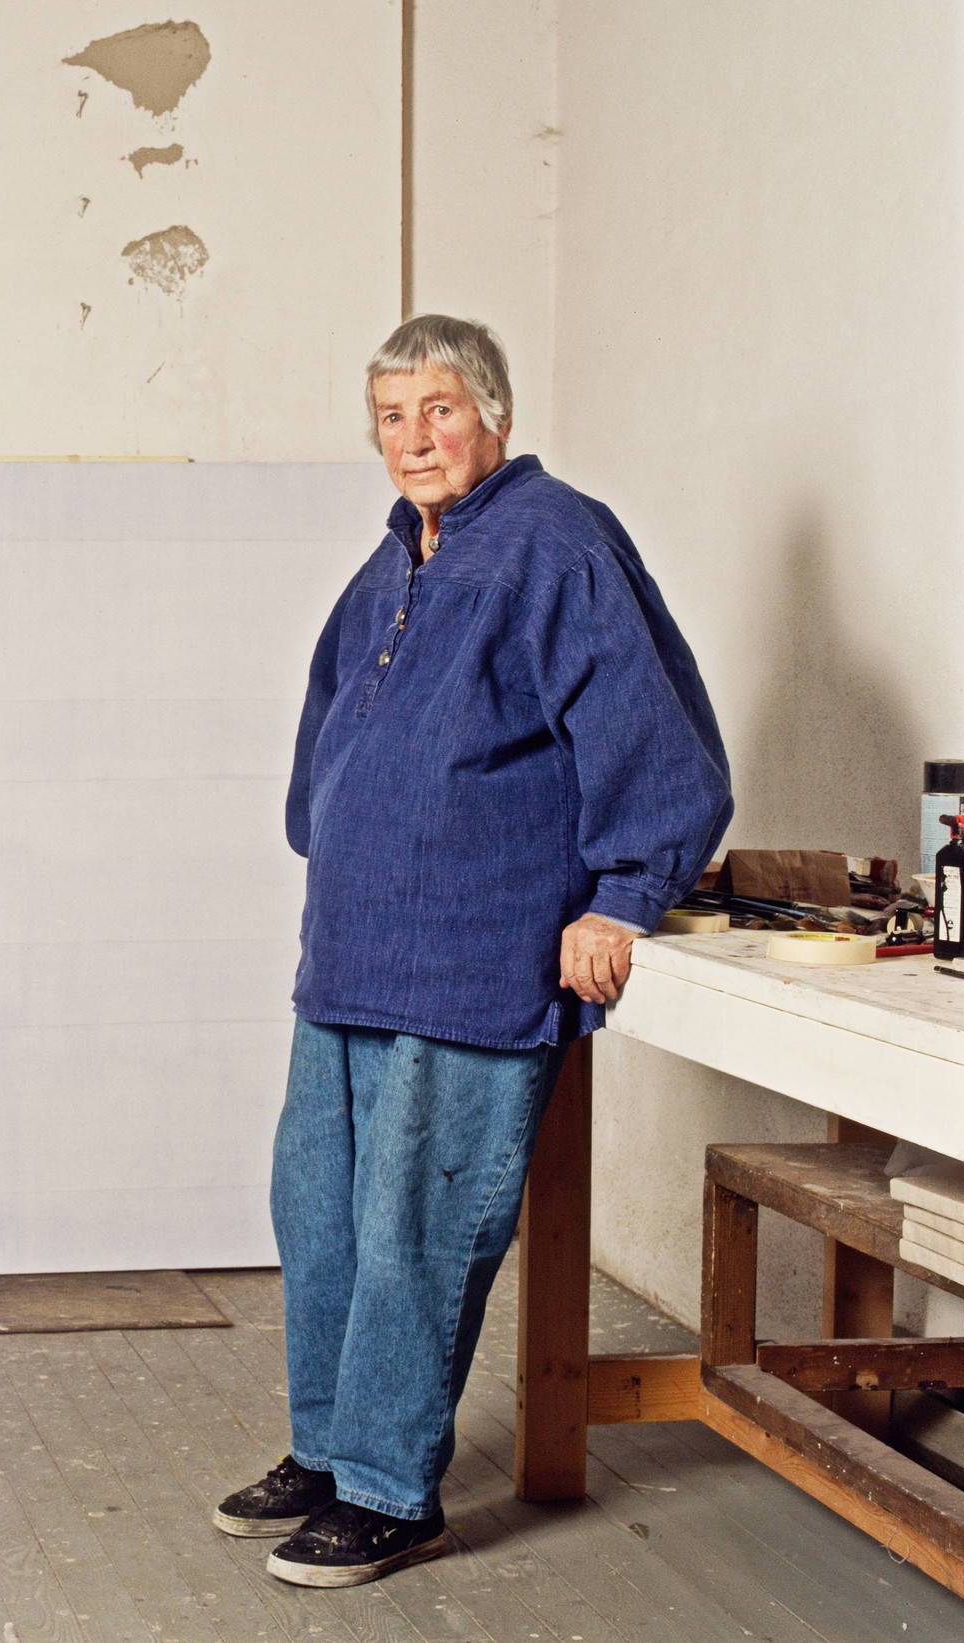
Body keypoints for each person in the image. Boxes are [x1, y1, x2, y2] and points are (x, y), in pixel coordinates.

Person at [213, 314, 733, 1589]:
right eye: (390, 417)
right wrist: (335, 831)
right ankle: (330, 1448)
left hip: (467, 957)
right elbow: (327, 732)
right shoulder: (393, 558)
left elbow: (656, 736)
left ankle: (392, 1490)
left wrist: (619, 895)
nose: (412, 439)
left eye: (436, 410)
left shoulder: (554, 541)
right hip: (346, 955)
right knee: (321, 1217)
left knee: (416, 1229)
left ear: (490, 414)